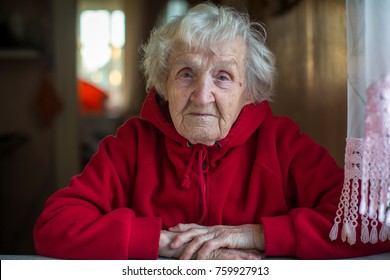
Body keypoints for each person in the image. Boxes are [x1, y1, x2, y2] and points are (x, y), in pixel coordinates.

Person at [33, 3, 390, 260]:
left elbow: (372, 222)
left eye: (222, 76)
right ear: (163, 84)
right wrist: (167, 243)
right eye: (186, 73)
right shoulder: (131, 144)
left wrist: (255, 235)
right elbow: (54, 225)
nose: (202, 96)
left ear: (248, 90)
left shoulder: (282, 144)